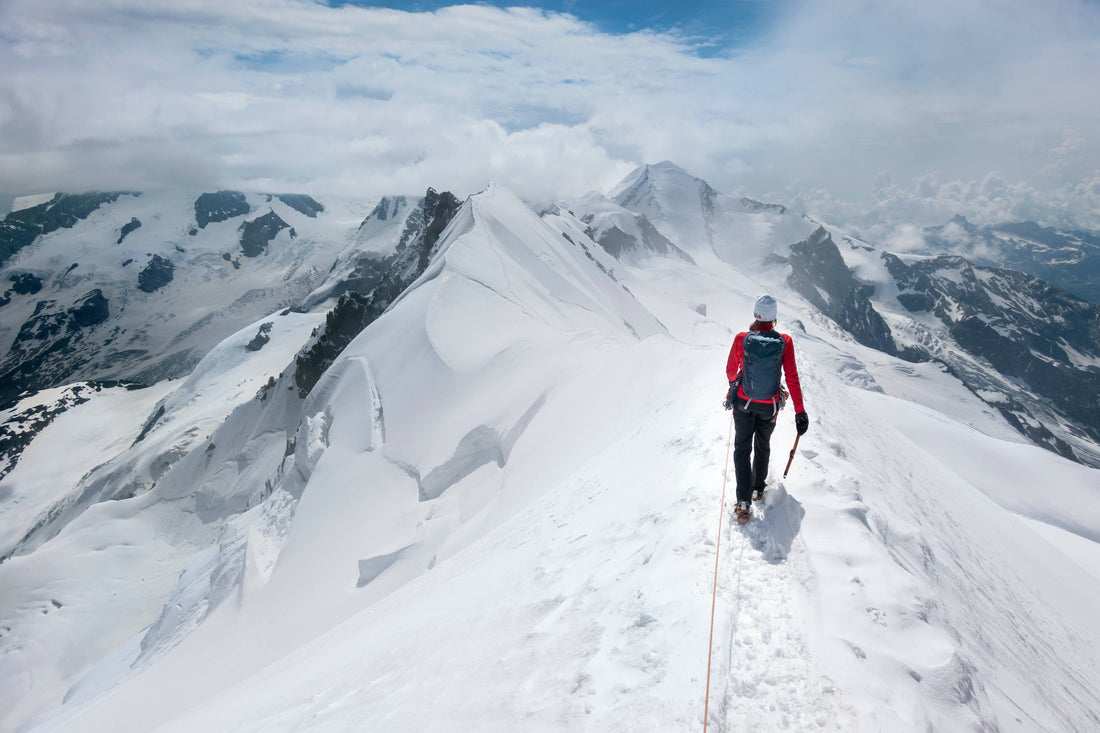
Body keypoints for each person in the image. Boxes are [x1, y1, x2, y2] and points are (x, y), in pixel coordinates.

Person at [723, 294, 808, 524]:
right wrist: (800, 411)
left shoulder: (743, 339)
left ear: (755, 314)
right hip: (769, 406)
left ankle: (742, 502)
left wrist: (735, 384)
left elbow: (731, 370)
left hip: (743, 402)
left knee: (742, 448)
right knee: (763, 445)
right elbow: (791, 377)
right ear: (774, 317)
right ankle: (758, 489)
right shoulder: (785, 342)